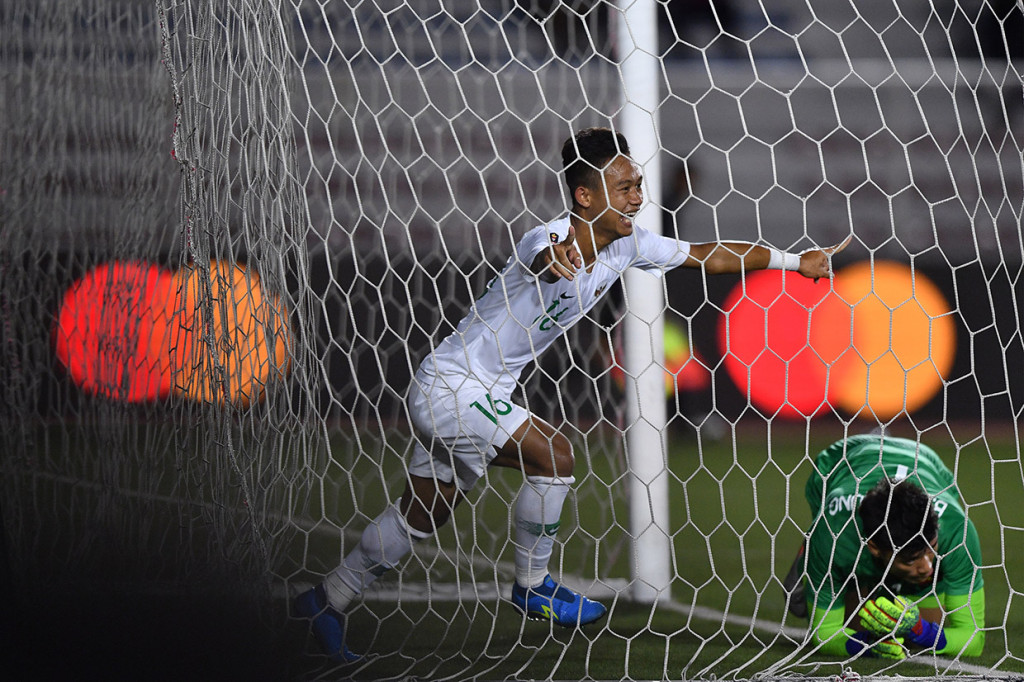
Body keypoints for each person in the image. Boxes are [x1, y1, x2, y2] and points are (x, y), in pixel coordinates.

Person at [295, 126, 847, 662]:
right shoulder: (551, 236)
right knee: (555, 456)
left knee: (423, 513)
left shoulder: (629, 245)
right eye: (625, 187)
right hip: (451, 386)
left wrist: (796, 262)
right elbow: (543, 253)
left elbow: (710, 253)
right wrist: (554, 261)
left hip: (474, 389)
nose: (637, 197)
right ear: (585, 196)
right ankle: (533, 586)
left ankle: (324, 601)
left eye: (638, 185)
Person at [784, 433, 986, 660]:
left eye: (931, 550)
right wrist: (866, 645)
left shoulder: (957, 531)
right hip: (841, 464)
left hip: (923, 460)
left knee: (917, 642)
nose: (927, 567)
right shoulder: (834, 534)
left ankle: (903, 569)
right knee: (858, 626)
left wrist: (921, 630)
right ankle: (811, 556)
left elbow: (974, 640)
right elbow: (824, 635)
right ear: (874, 547)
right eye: (910, 560)